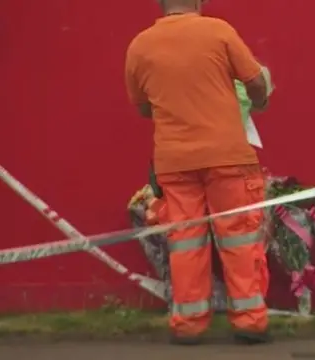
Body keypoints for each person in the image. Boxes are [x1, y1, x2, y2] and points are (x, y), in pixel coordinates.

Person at [124, 0, 271, 345]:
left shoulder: (140, 45)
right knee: (239, 237)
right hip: (228, 156)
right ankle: (249, 322)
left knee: (185, 242)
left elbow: (144, 108)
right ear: (198, 1)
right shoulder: (219, 31)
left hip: (174, 162)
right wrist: (258, 100)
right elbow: (255, 82)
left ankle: (188, 324)